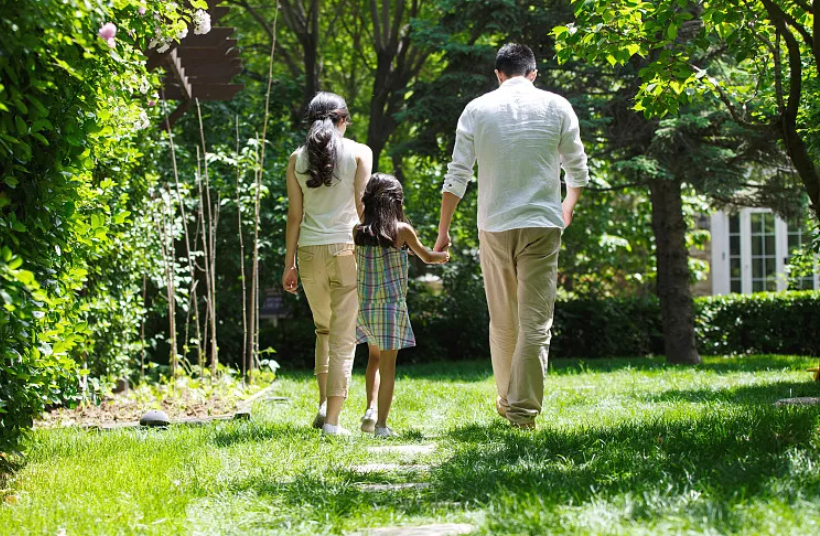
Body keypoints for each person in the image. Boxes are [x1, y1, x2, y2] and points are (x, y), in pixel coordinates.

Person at [433, 43, 589, 429]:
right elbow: (578, 169)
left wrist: (443, 232)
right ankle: (522, 413)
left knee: (503, 322)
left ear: (498, 74)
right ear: (533, 73)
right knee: (536, 323)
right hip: (542, 223)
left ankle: (507, 401)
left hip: (494, 225)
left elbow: (457, 175)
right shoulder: (558, 106)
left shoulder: (477, 109)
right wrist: (567, 205)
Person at [283, 92, 373, 436]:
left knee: (323, 330)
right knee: (342, 336)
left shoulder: (296, 159)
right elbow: (363, 211)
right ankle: (333, 423)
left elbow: (295, 217)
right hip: (346, 251)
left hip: (308, 252)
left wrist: (288, 264)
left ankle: (323, 405)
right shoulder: (359, 153)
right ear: (343, 120)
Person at [355, 173, 449, 437]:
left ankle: (370, 410)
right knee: (388, 367)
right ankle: (382, 426)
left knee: (373, 358)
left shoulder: (358, 232)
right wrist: (443, 254)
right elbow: (428, 257)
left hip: (365, 308)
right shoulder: (401, 230)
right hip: (390, 308)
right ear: (394, 201)